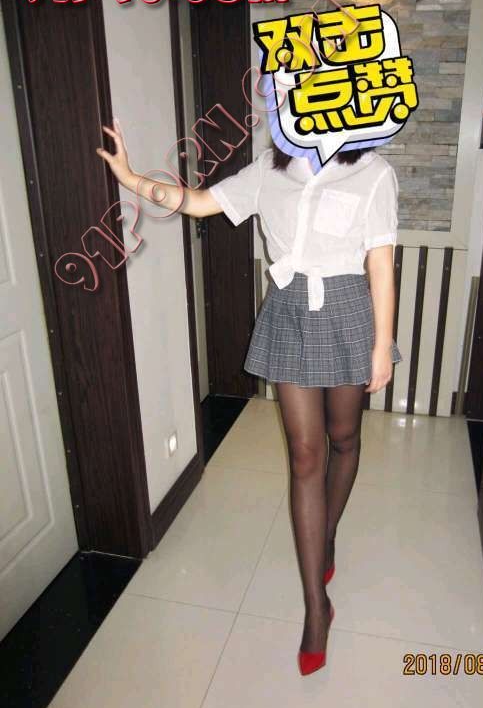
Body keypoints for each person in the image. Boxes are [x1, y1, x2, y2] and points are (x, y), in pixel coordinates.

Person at [96, 119, 402, 676]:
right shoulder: (269, 169)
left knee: (344, 439)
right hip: (288, 310)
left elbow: (380, 261)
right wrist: (132, 178)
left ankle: (327, 533)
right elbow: (198, 203)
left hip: (348, 313)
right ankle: (317, 607)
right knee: (305, 456)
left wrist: (382, 345)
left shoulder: (372, 171)